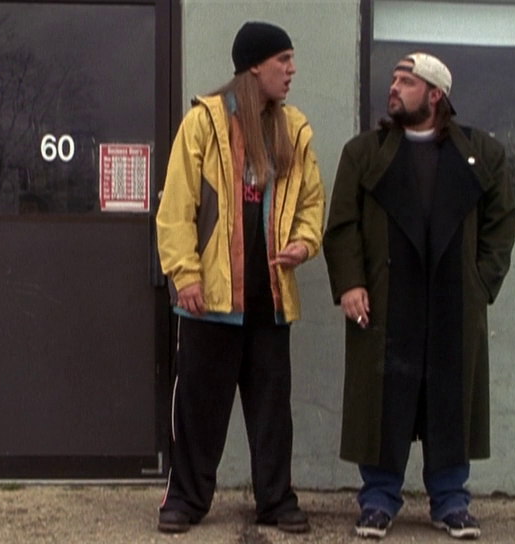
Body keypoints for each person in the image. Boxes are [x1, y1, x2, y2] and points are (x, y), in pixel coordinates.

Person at [322, 52, 515, 540]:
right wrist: (350, 282)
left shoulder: (482, 153)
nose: (394, 87)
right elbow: (342, 225)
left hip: (453, 298)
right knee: (383, 398)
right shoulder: (364, 153)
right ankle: (378, 499)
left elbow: (501, 225)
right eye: (393, 79)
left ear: (435, 95)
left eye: (406, 81)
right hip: (387, 296)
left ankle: (451, 501)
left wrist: (480, 282)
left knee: (450, 398)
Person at [154, 21, 325, 535]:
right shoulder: (203, 123)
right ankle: (185, 500)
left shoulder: (293, 128)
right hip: (209, 298)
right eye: (283, 60)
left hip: (270, 297)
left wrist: (305, 243)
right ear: (254, 66)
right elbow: (175, 208)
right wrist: (184, 275)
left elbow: (311, 202)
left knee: (272, 411)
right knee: (198, 408)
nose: (292, 71)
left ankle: (276, 500)